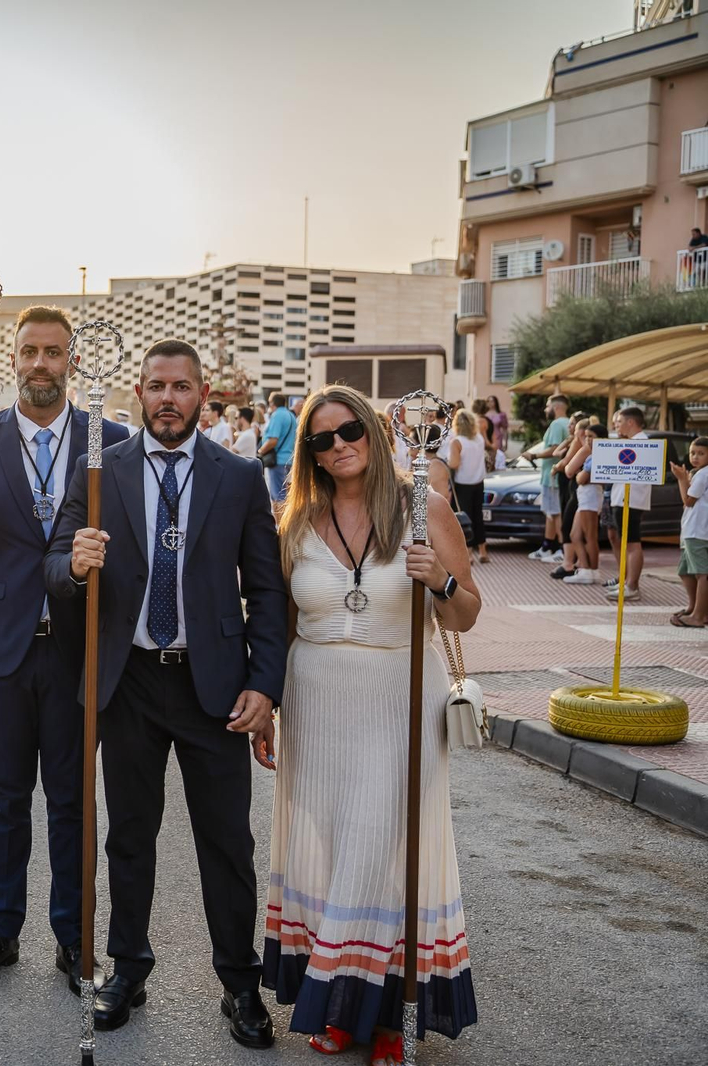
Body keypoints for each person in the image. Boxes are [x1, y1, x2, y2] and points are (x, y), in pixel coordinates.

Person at [44, 339, 285, 1042]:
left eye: (181, 387)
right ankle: (128, 967)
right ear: (140, 393)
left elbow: (267, 594)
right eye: (156, 386)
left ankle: (240, 984)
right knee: (130, 836)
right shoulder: (99, 471)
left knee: (227, 844)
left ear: (203, 394)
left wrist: (265, 686)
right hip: (130, 681)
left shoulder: (238, 477)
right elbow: (55, 564)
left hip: (216, 687)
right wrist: (77, 567)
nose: (168, 398)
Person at [264, 384, 480, 1062]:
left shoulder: (425, 506)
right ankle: (339, 999)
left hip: (399, 694)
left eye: (348, 429)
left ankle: (388, 1014)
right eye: (320, 440)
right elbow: (283, 625)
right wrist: (267, 705)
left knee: (382, 848)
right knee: (330, 845)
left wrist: (439, 582)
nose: (339, 446)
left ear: (372, 428)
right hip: (315, 699)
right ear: (310, 454)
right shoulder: (294, 520)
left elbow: (468, 612)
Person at [0, 305, 131, 998]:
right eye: (29, 351)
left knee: (73, 800)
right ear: (10, 359)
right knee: (3, 795)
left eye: (53, 351)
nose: (40, 363)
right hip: (0, 647)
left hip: (78, 647)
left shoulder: (110, 438)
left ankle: (74, 937)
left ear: (72, 359)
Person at [605, 406, 653, 601]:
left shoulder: (642, 443)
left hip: (631, 499)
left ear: (631, 422)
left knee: (632, 543)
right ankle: (628, 583)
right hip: (622, 498)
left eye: (620, 422)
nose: (617, 425)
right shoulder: (631, 442)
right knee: (626, 542)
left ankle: (632, 586)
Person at [522, 394, 571, 563]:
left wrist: (534, 455)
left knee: (555, 514)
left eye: (548, 406)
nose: (545, 409)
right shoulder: (566, 423)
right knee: (552, 513)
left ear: (556, 407)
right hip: (555, 477)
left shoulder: (557, 424)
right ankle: (547, 546)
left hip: (553, 477)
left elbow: (554, 449)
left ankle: (561, 549)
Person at [670, 437, 708, 628]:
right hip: (692, 529)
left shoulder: (702, 475)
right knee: (685, 571)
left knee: (702, 574)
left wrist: (681, 479)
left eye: (701, 454)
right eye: (693, 453)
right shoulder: (699, 473)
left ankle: (699, 616)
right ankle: (694, 607)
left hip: (698, 531)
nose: (695, 457)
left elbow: (688, 501)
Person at [565, 422, 606, 585]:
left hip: (590, 497)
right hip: (585, 497)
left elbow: (581, 478)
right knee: (575, 535)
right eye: (586, 436)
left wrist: (580, 475)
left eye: (592, 437)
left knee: (590, 536)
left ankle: (592, 570)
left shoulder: (599, 456)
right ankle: (585, 568)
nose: (588, 440)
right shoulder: (590, 455)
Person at [448, 409, 488, 564]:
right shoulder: (478, 439)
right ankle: (483, 551)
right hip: (479, 482)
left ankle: (469, 554)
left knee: (465, 518)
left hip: (463, 483)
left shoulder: (457, 442)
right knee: (478, 516)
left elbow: (454, 464)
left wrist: (446, 459)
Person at [258, 391, 297, 504]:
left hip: (277, 460)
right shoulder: (290, 415)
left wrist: (260, 451)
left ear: (272, 403)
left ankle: (281, 522)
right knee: (285, 495)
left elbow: (273, 440)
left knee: (277, 497)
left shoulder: (277, 415)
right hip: (288, 459)